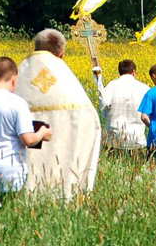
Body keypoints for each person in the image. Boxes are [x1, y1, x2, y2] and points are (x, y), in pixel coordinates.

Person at [16, 29, 103, 198]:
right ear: (61, 54)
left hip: (16, 179)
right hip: (64, 171)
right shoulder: (70, 87)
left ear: (35, 48)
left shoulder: (18, 78)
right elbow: (91, 122)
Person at [0, 57, 52, 194]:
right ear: (15, 79)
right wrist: (42, 133)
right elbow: (27, 139)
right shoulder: (18, 103)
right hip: (11, 169)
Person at [95, 59, 149, 154]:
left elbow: (103, 104)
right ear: (134, 72)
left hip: (114, 138)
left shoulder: (112, 85)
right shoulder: (144, 88)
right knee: (135, 166)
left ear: (120, 72)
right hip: (136, 138)